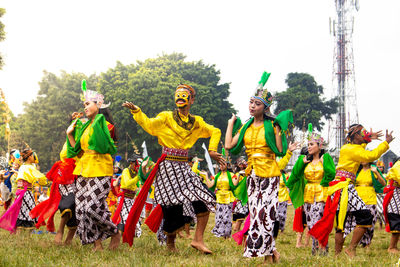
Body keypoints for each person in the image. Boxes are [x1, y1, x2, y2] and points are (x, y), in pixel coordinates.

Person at [122, 83, 224, 253]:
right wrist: (137, 112)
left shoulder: (196, 122)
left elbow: (215, 131)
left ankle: (198, 240)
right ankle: (170, 244)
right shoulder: (166, 117)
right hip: (168, 166)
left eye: (185, 95)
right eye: (178, 94)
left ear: (192, 100)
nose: (180, 97)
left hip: (184, 166)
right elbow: (149, 125)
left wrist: (212, 150)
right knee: (171, 206)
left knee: (204, 198)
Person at [225, 71, 292, 263]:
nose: (252, 106)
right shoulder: (245, 126)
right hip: (252, 175)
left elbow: (280, 151)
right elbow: (229, 145)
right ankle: (271, 253)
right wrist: (231, 124)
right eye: (251, 102)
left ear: (266, 107)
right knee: (255, 215)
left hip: (270, 175)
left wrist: (280, 131)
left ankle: (267, 255)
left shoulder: (272, 126)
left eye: (257, 104)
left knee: (267, 214)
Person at [309, 124, 394, 257]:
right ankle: (351, 248)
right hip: (345, 187)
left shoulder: (348, 148)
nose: (364, 135)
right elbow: (371, 156)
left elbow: (361, 148)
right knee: (366, 216)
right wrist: (386, 143)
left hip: (339, 187)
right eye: (363, 133)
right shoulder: (353, 150)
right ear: (355, 136)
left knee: (341, 223)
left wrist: (368, 138)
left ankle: (337, 255)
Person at [66, 80, 120, 251]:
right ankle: (97, 244)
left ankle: (114, 232)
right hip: (83, 171)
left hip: (100, 170)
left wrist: (93, 122)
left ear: (99, 104)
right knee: (81, 209)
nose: (84, 107)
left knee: (92, 207)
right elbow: (76, 152)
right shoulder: (85, 127)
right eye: (84, 104)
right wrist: (70, 134)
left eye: (88, 103)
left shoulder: (104, 125)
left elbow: (103, 146)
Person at [287, 125, 336, 255]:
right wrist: (301, 163)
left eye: (312, 144)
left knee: (319, 221)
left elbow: (331, 174)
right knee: (310, 222)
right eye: (308, 144)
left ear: (319, 146)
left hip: (322, 192)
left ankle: (322, 247)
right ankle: (315, 248)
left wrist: (323, 163)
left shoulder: (325, 158)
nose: (309, 147)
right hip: (308, 194)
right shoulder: (304, 161)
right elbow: (294, 176)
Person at [0, 148, 47, 233]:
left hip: (20, 192)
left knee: (21, 213)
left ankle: (21, 235)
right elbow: (43, 179)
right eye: (33, 155)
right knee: (29, 213)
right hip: (26, 193)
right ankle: (24, 236)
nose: (35, 157)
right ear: (29, 157)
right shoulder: (29, 167)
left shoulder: (23, 167)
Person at [343, 162, 386, 248]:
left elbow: (383, 183)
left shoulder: (373, 169)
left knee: (371, 220)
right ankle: (357, 242)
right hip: (357, 197)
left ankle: (367, 243)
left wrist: (376, 172)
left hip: (370, 197)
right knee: (356, 221)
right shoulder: (356, 169)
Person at [205, 159, 238, 238]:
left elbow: (234, 184)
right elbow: (210, 185)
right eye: (220, 164)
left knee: (227, 217)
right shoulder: (217, 175)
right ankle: (219, 232)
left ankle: (226, 234)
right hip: (219, 197)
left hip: (228, 197)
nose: (221, 166)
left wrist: (238, 175)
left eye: (223, 164)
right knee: (219, 216)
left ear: (227, 165)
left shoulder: (231, 174)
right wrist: (205, 176)